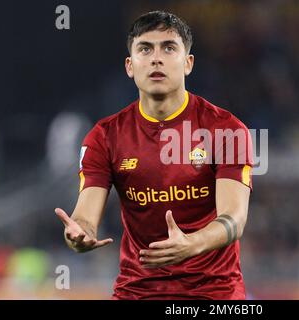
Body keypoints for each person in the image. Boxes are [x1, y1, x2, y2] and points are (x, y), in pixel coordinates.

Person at [55, 10, 253, 300]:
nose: (156, 58)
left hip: (214, 294)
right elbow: (84, 216)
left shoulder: (225, 129)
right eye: (145, 49)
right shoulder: (105, 136)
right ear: (130, 66)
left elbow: (234, 218)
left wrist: (192, 243)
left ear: (188, 63)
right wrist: (78, 235)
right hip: (137, 292)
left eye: (169, 48)